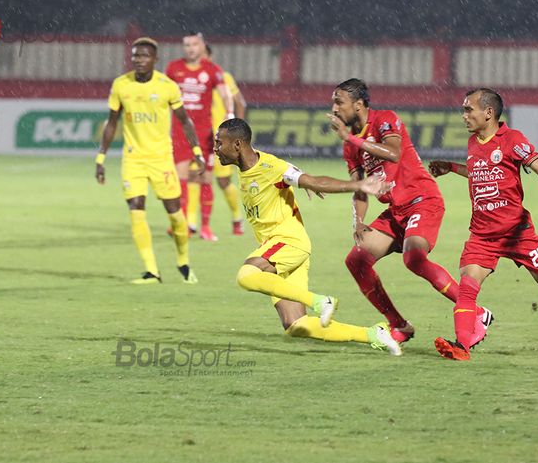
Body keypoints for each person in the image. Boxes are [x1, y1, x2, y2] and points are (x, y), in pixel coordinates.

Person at [429, 87, 538, 361]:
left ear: (488, 112)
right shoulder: (474, 142)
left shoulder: (512, 139)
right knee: (467, 286)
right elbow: (480, 171)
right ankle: (462, 347)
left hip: (517, 233)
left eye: (468, 109)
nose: (463, 115)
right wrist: (452, 168)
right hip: (482, 236)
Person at [213, 118, 402, 355]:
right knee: (296, 326)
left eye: (219, 143)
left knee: (246, 275)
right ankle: (373, 334)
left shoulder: (271, 168)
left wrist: (360, 185)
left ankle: (320, 301)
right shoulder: (253, 165)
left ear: (238, 144)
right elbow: (299, 175)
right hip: (283, 251)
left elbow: (312, 180)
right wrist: (304, 177)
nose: (215, 149)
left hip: (287, 242)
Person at [327, 78, 492, 347]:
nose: (333, 108)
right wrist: (358, 221)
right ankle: (399, 325)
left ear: (358, 105)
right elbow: (360, 187)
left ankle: (477, 311)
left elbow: (393, 153)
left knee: (414, 258)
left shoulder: (384, 119)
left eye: (338, 102)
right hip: (396, 210)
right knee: (356, 261)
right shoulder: (351, 145)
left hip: (422, 200)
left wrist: (350, 138)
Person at [95, 37, 205, 285]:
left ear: (155, 60)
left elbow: (185, 121)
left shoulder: (167, 86)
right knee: (136, 210)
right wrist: (100, 157)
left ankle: (183, 261)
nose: (139, 60)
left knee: (175, 213)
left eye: (144, 56)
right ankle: (151, 271)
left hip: (161, 159)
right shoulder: (121, 85)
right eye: (135, 56)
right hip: (133, 159)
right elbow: (112, 123)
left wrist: (197, 151)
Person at [166, 31, 234, 241]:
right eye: (186, 45)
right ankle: (184, 224)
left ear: (202, 46)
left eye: (194, 45)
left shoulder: (213, 70)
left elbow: (225, 94)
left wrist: (229, 114)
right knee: (181, 179)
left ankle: (205, 226)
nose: (190, 49)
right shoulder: (173, 68)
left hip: (204, 133)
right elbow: (162, 94)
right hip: (180, 132)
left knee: (206, 179)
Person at [185, 44, 247, 236]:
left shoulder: (222, 77)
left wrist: (238, 130)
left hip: (222, 139)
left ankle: (237, 219)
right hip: (200, 136)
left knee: (222, 181)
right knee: (195, 176)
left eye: (202, 55)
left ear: (209, 57)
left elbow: (240, 102)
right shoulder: (192, 80)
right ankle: (192, 224)